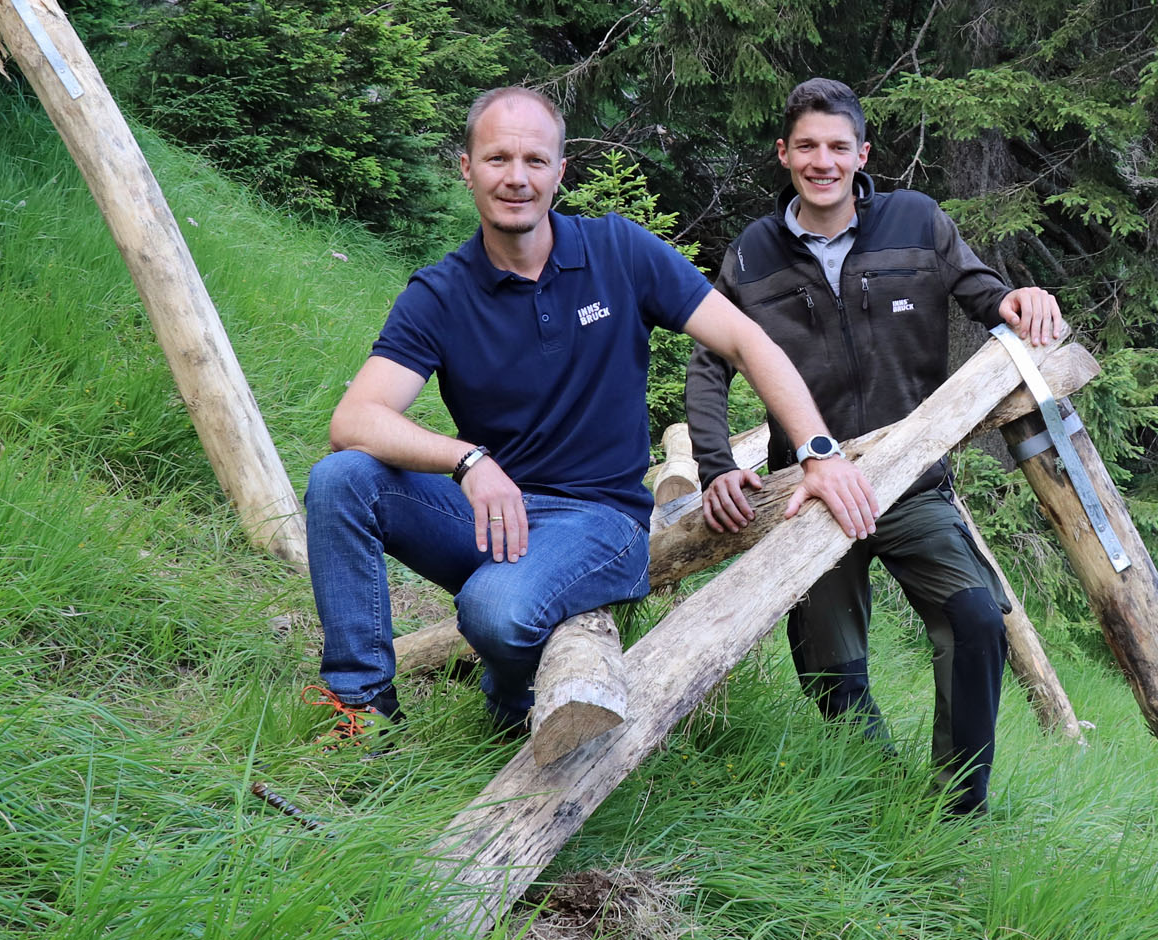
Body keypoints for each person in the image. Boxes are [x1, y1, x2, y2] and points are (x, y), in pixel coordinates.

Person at [305, 85, 879, 741]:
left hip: (601, 521)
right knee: (342, 480)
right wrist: (466, 460)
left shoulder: (618, 253)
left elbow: (746, 341)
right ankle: (361, 709)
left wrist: (817, 451)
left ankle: (509, 687)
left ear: (559, 171)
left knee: (493, 607)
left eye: (534, 160)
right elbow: (354, 420)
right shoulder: (442, 292)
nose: (516, 178)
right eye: (496, 159)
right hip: (495, 514)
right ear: (466, 167)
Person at [683, 78, 1065, 813]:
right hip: (807, 490)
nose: (821, 161)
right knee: (828, 659)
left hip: (909, 478)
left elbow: (989, 297)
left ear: (862, 154)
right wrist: (714, 465)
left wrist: (1024, 299)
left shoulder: (917, 222)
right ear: (783, 154)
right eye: (806, 146)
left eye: (836, 146)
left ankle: (957, 808)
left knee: (978, 618)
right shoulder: (752, 254)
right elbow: (708, 364)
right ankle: (877, 795)